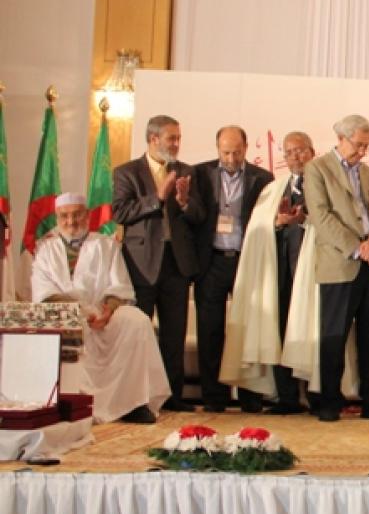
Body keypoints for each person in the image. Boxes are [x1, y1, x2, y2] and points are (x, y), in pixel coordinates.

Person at [32, 193, 171, 424]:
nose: (71, 221)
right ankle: (73, 404)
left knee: (137, 321)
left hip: (103, 313)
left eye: (76, 215)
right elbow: (43, 293)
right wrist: (79, 311)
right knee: (69, 325)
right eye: (64, 216)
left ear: (87, 215)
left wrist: (108, 310)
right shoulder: (45, 249)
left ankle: (134, 402)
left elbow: (120, 285)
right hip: (68, 314)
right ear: (57, 218)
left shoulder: (105, 244)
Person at [304, 114, 369, 422]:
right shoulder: (317, 169)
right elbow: (321, 217)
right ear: (341, 139)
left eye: (367, 146)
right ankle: (330, 400)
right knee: (334, 335)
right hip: (340, 262)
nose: (363, 151)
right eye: (358, 145)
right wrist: (359, 248)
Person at [112, 114, 205, 412]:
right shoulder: (127, 172)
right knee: (138, 334)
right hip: (141, 265)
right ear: (153, 139)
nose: (176, 144)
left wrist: (185, 202)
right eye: (171, 138)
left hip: (176, 263)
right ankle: (137, 398)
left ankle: (172, 396)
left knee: (173, 335)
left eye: (178, 138)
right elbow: (120, 212)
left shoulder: (186, 171)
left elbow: (199, 216)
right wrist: (158, 197)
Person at [219, 130, 315, 414]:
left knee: (312, 330)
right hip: (280, 272)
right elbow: (258, 229)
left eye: (301, 150)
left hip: (313, 273)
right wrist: (277, 222)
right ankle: (287, 398)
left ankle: (317, 397)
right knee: (281, 328)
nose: (296, 157)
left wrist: (304, 219)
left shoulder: (325, 184)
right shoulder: (273, 189)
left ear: (313, 153)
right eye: (290, 152)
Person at [191, 126, 273, 413]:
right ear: (217, 148)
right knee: (210, 331)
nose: (231, 158)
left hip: (245, 261)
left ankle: (250, 397)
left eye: (236, 152)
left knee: (248, 331)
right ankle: (214, 398)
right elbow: (192, 216)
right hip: (211, 261)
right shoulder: (199, 174)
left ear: (246, 148)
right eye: (225, 152)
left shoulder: (262, 178)